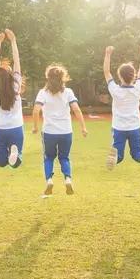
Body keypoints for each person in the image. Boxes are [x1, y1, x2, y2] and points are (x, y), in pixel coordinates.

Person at [32, 65, 88, 196]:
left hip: (49, 132)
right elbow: (76, 109)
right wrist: (83, 127)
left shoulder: (43, 93)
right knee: (64, 157)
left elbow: (36, 110)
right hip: (66, 131)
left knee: (48, 158)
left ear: (48, 77)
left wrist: (35, 126)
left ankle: (49, 181)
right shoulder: (68, 92)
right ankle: (68, 179)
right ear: (63, 78)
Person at [103, 43, 140, 173]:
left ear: (120, 76)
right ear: (134, 76)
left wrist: (107, 54)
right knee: (136, 153)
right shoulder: (138, 88)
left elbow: (106, 72)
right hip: (134, 126)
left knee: (119, 156)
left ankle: (114, 157)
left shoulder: (115, 90)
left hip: (119, 127)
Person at [0, 29, 24, 169]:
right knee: (16, 163)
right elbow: (17, 60)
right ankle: (14, 151)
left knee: (1, 163)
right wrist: (13, 41)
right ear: (10, 75)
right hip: (15, 127)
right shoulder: (16, 84)